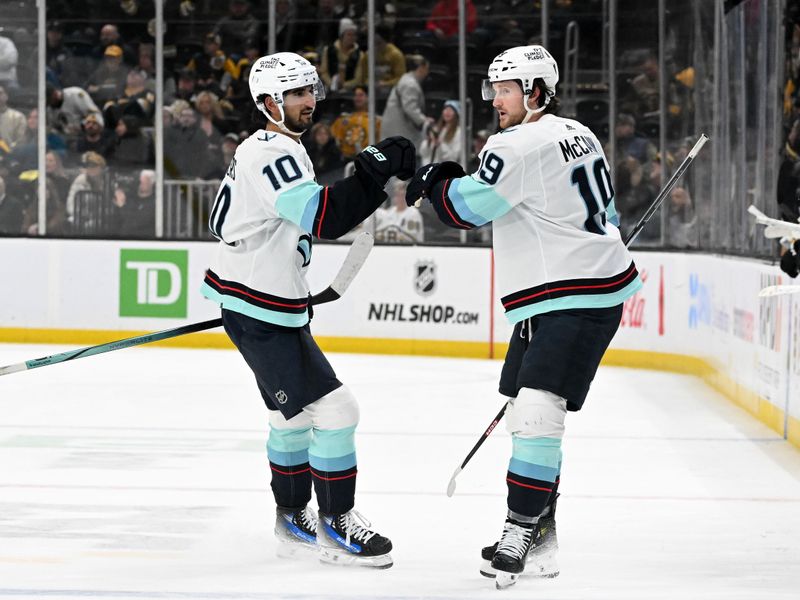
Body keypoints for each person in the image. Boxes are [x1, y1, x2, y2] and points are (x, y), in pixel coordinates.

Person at [405, 45, 643, 588]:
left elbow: (464, 209)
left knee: (536, 412)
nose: (495, 100)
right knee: (527, 411)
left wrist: (432, 184)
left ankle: (520, 532)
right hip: (566, 291)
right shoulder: (578, 130)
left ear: (535, 91)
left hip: (573, 294)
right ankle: (542, 536)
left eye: (505, 89)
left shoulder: (516, 143)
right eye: (493, 90)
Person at [200, 52, 415, 568]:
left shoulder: (271, 147)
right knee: (337, 411)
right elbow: (324, 217)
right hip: (261, 311)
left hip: (258, 305)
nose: (308, 102)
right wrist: (372, 173)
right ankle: (336, 523)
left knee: (289, 417)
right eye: (296, 93)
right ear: (269, 101)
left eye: (309, 91)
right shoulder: (272, 151)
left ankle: (291, 516)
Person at [381, 54, 431, 151]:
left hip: (398, 129)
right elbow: (410, 108)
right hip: (399, 129)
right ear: (421, 68)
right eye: (427, 69)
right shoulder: (410, 84)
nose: (427, 72)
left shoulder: (406, 79)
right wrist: (425, 121)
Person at [330, 85, 380, 160]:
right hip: (345, 160)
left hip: (368, 160)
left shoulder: (376, 120)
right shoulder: (343, 119)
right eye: (355, 95)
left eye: (361, 95)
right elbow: (333, 137)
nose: (357, 98)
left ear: (368, 98)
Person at [375, 178, 424, 243]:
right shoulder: (389, 212)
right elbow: (380, 231)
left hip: (410, 249)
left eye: (402, 195)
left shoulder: (414, 213)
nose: (400, 198)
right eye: (397, 195)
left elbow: (411, 237)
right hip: (389, 247)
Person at [419, 99, 463, 165]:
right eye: (446, 109)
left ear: (456, 114)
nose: (447, 112)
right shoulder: (436, 129)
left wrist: (440, 145)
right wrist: (428, 141)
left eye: (451, 110)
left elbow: (453, 158)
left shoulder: (459, 132)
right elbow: (423, 153)